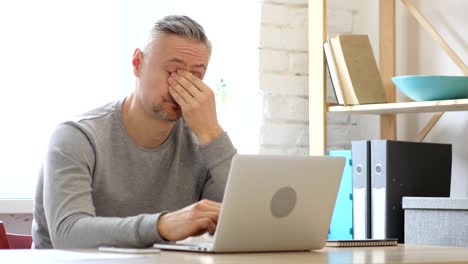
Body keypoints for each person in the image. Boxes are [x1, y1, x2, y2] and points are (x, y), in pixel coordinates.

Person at [32, 15, 237, 249]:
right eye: (173, 71)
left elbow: (244, 220)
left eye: (196, 76)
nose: (182, 86)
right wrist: (161, 226)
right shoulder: (76, 137)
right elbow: (68, 234)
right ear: (137, 63)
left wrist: (212, 134)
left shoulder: (204, 144)